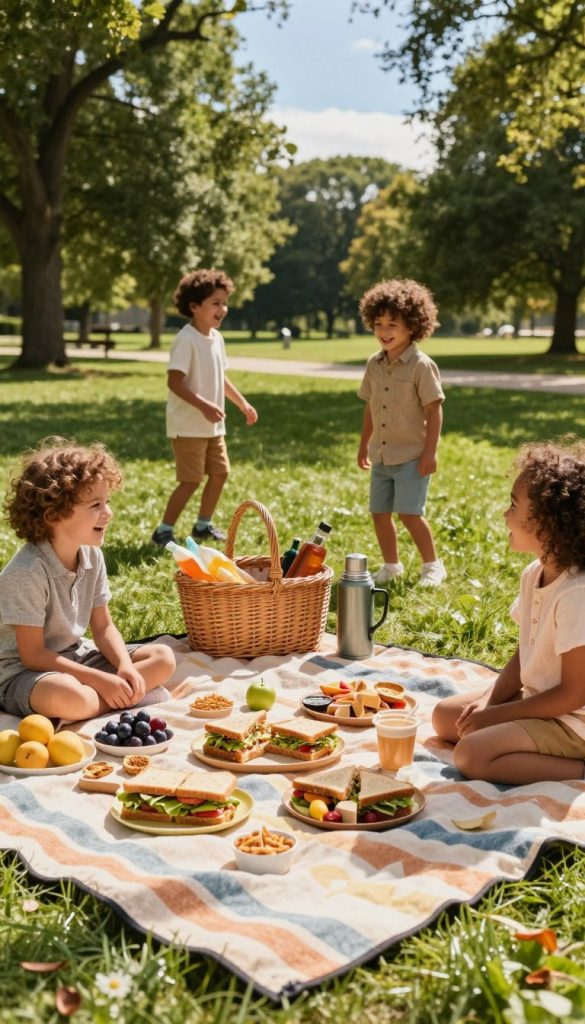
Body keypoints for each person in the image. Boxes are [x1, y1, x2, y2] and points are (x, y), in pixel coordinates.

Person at [432, 440, 585, 785]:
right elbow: (525, 652)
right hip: (539, 700)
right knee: (445, 717)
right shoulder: (534, 574)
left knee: (471, 754)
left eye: (513, 505)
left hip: (575, 721)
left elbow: (574, 694)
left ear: (546, 525)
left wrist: (499, 714)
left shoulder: (576, 595)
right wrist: (489, 700)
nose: (505, 514)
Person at [0, 439, 176, 721]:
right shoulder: (27, 572)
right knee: (68, 696)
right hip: (22, 673)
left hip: (76, 656)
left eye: (107, 502)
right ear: (54, 514)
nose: (109, 513)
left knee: (163, 658)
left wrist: (125, 668)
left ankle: (107, 698)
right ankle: (121, 698)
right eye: (96, 504)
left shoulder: (92, 557)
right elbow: (33, 655)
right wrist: (100, 680)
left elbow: (103, 627)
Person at [151, 268, 258, 547]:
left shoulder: (217, 339)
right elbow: (175, 382)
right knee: (190, 480)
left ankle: (202, 525)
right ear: (194, 306)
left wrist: (242, 403)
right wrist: (204, 406)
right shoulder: (186, 339)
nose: (222, 308)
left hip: (212, 426)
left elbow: (220, 376)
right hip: (188, 426)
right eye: (215, 303)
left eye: (224, 302)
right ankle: (163, 530)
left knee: (220, 473)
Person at [357, 277, 446, 587]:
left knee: (409, 514)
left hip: (411, 456)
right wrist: (363, 444)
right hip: (381, 455)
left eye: (393, 324)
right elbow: (370, 406)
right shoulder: (374, 364)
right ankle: (392, 565)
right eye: (378, 323)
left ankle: (432, 565)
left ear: (413, 326)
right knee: (380, 514)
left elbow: (434, 410)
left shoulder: (421, 366)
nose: (384, 331)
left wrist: (429, 453)